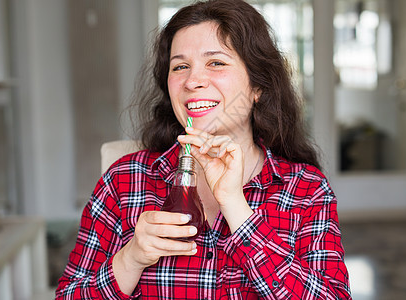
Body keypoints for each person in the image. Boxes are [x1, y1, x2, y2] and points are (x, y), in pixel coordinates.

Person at [56, 0, 351, 299]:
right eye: (180, 66)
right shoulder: (124, 180)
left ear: (258, 86)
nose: (193, 81)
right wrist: (131, 258)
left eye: (216, 63)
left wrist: (236, 207)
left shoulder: (306, 189)